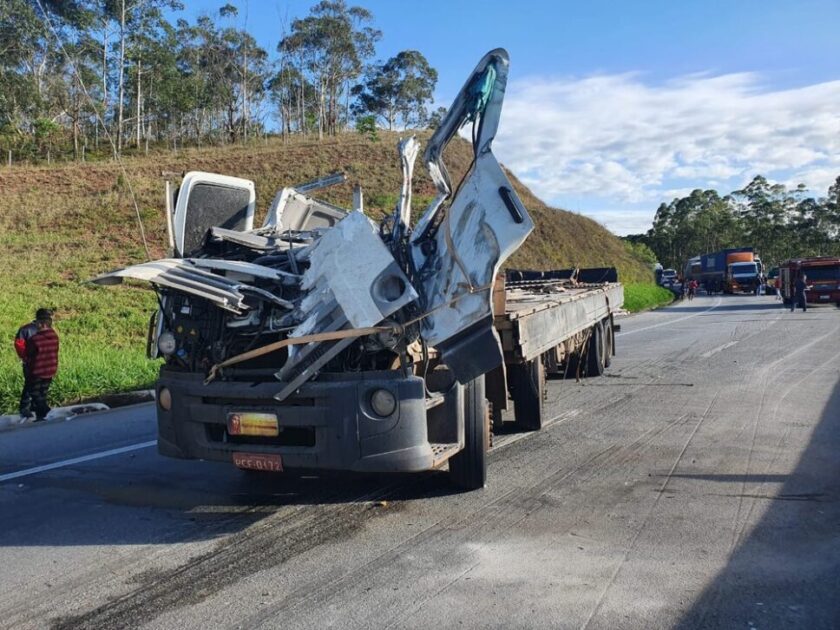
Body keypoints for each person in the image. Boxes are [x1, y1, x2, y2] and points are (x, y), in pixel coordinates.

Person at [15, 308, 59, 422]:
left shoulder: (28, 332)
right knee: (40, 392)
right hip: (49, 368)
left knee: (31, 389)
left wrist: (25, 358)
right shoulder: (53, 334)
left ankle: (35, 411)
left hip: (35, 367)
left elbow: (21, 347)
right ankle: (39, 415)